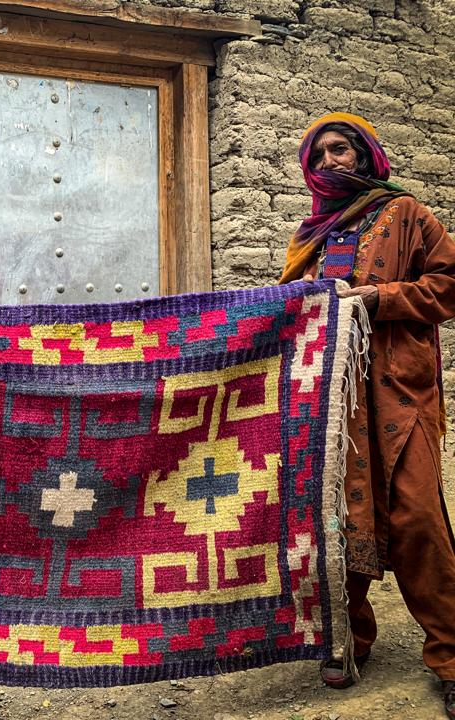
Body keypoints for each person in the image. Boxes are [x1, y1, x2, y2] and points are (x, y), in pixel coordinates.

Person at [280, 112, 455, 719]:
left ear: (366, 154)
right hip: (332, 400)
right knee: (335, 518)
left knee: (416, 519)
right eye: (321, 153)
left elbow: (451, 283)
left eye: (343, 149)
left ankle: (452, 657)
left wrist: (382, 298)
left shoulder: (406, 213)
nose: (332, 160)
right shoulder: (311, 236)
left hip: (400, 395)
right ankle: (350, 640)